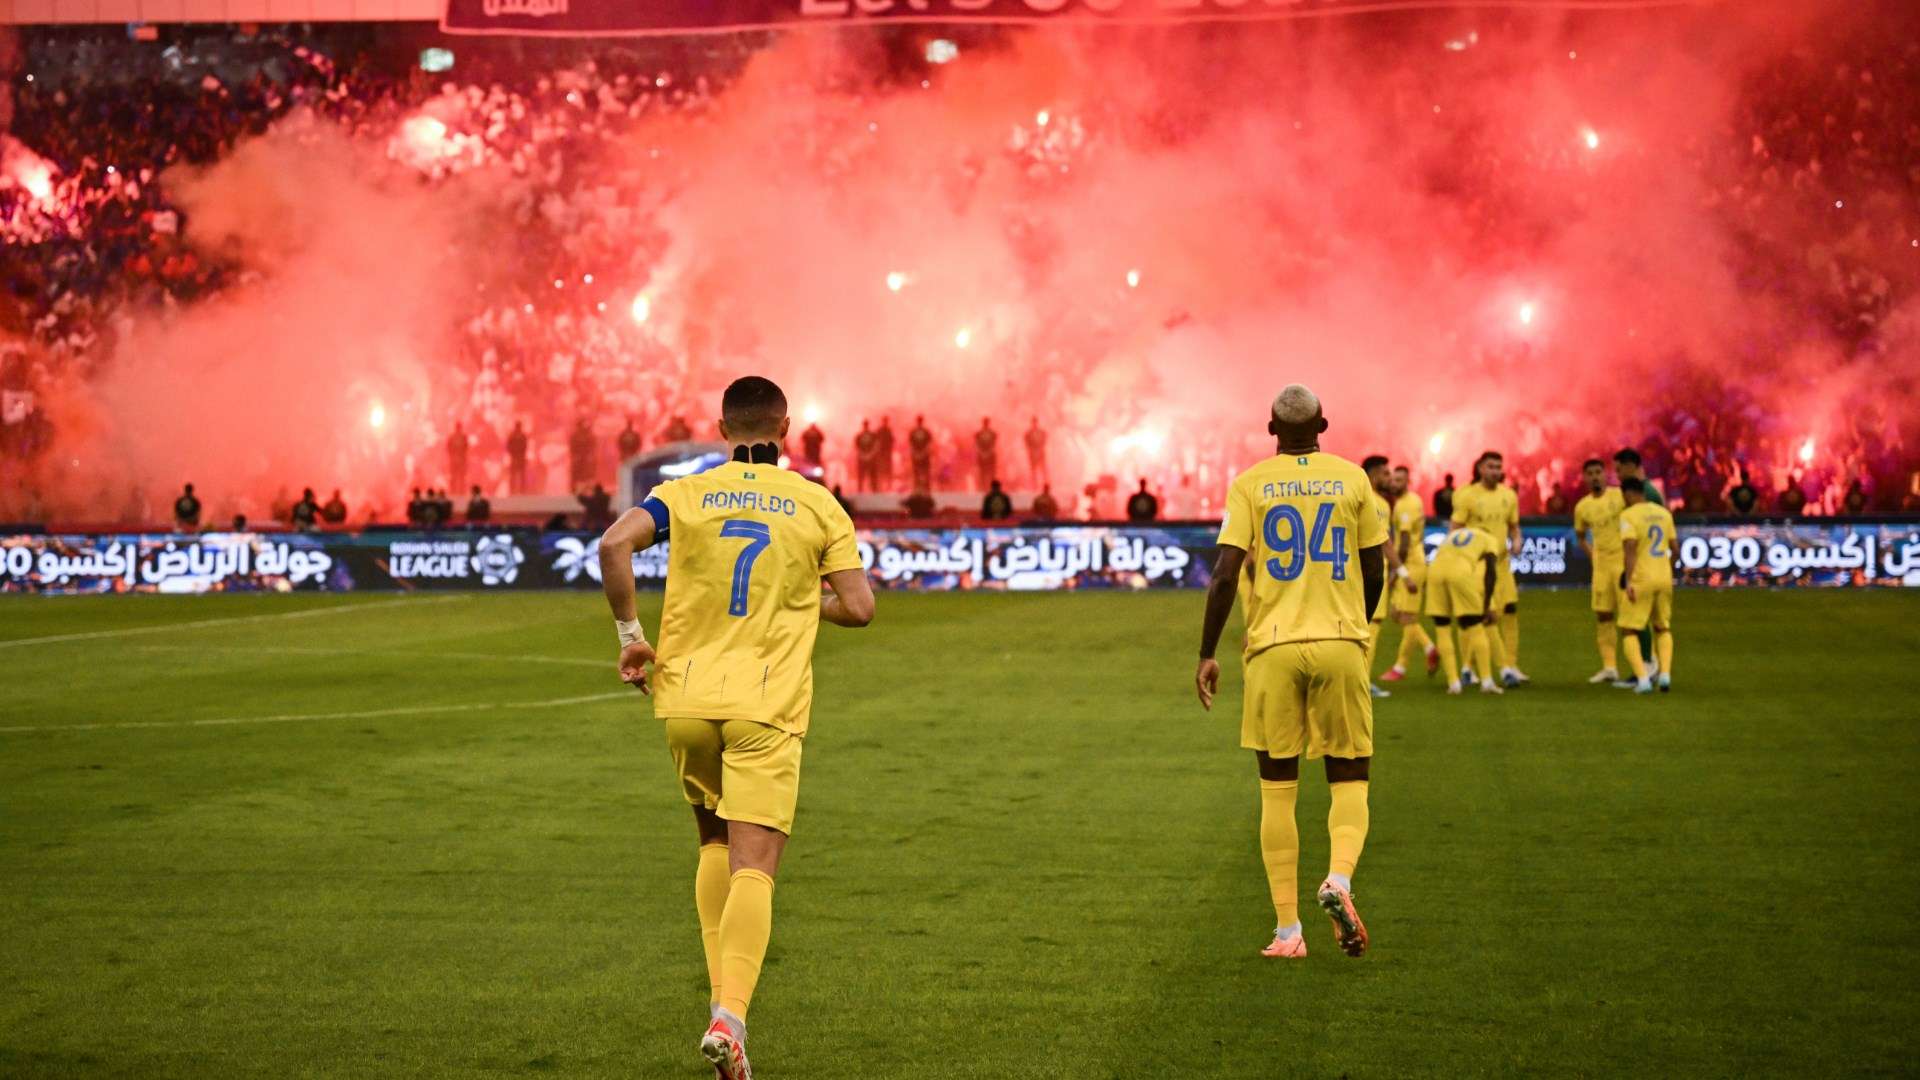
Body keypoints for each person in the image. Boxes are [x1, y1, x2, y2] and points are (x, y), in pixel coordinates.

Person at [596, 375, 874, 1080]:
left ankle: (727, 1011)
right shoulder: (817, 504)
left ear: (722, 429)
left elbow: (612, 545)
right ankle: (731, 1016)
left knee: (712, 841)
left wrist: (632, 635)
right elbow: (862, 606)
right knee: (757, 862)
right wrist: (801, 605)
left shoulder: (683, 495)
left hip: (685, 702)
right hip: (765, 705)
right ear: (787, 428)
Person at [1194, 383, 1385, 961]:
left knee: (1276, 791)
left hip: (1273, 647)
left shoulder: (1251, 483)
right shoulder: (1353, 478)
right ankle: (1340, 881)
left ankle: (1287, 932)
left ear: (1271, 429)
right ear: (1323, 426)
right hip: (1340, 641)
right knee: (1349, 775)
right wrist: (1359, 623)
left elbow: (1227, 573)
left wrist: (1206, 651)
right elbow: (1374, 565)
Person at [1451, 451, 1528, 687]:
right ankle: (1473, 667)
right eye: (1491, 466)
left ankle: (1510, 665)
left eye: (1498, 466)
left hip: (1503, 565)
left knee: (1510, 610)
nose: (1495, 471)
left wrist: (1517, 541)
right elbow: (1455, 529)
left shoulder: (1508, 495)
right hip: (1480, 566)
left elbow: (1514, 527)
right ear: (1480, 468)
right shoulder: (1468, 496)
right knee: (1481, 616)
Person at [1424, 522, 1504, 695]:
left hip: (1434, 570)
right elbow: (1491, 571)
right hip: (1460, 571)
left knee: (1442, 627)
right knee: (1476, 625)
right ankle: (1487, 681)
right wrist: (1486, 604)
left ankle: (1453, 683)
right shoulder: (1489, 538)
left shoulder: (1455, 534)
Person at [1356, 455, 1412, 699]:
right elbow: (1385, 543)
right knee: (1371, 627)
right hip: (1371, 573)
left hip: (1351, 572)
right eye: (1386, 474)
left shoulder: (1352, 494)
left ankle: (1356, 679)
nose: (1390, 479)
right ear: (1374, 473)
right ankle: (1362, 682)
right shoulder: (1377, 502)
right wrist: (1402, 572)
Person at [1377, 464, 1439, 684]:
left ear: (1408, 481)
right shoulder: (1413, 501)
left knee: (1406, 617)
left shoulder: (1404, 506)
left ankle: (1402, 665)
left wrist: (1397, 573)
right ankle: (1428, 648)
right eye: (1393, 479)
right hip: (1416, 561)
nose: (1394, 483)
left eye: (1399, 480)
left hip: (1411, 563)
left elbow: (1402, 544)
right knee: (1397, 614)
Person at [1617, 477, 1677, 694]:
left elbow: (1630, 549)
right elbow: (1675, 549)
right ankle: (1665, 675)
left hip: (1642, 578)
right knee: (1662, 626)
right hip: (1664, 577)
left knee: (1628, 629)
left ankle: (1642, 680)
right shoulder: (1663, 513)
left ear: (1628, 494)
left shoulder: (1628, 515)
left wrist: (1630, 580)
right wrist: (1667, 569)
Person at [1572, 458, 1627, 685]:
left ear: (1606, 475)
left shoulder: (1619, 496)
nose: (1595, 477)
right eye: (1590, 473)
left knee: (1631, 617)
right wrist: (1592, 554)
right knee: (1603, 615)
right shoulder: (1582, 507)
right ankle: (1609, 667)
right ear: (1584, 478)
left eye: (1598, 472)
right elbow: (1581, 535)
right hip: (1602, 567)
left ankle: (1646, 663)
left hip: (1624, 563)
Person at [908, 415, 934, 493]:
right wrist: (916, 453)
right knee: (917, 473)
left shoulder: (925, 431)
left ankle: (925, 490)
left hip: (923, 455)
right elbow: (911, 444)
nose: (919, 422)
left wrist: (922, 453)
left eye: (920, 421)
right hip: (918, 455)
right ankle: (918, 490)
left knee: (924, 473)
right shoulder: (914, 431)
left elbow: (929, 444)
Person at [570, 419, 598, 489]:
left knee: (588, 475)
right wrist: (575, 456)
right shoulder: (575, 435)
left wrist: (591, 455)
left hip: (587, 458)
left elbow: (593, 446)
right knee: (578, 475)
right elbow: (572, 447)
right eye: (584, 424)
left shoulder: (590, 435)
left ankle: (588, 488)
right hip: (578, 458)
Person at [853, 420, 879, 493]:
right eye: (865, 425)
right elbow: (856, 446)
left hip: (871, 458)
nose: (866, 426)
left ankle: (874, 490)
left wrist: (870, 454)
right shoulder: (859, 435)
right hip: (862, 458)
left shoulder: (873, 435)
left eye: (866, 425)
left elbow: (876, 445)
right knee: (861, 475)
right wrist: (862, 455)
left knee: (872, 475)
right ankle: (860, 490)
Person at [973, 418, 998, 491]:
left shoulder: (993, 433)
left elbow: (994, 445)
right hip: (982, 455)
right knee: (982, 473)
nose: (986, 424)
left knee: (991, 472)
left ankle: (992, 488)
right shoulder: (978, 434)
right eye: (985, 423)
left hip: (990, 455)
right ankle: (982, 488)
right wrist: (982, 453)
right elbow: (977, 445)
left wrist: (987, 453)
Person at [507, 421, 530, 495]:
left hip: (519, 457)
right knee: (514, 475)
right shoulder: (515, 435)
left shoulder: (520, 436)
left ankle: (520, 490)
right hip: (516, 457)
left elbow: (525, 446)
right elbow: (509, 446)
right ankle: (514, 490)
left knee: (520, 475)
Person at [1024, 417, 1048, 487]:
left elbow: (1044, 442)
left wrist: (1040, 449)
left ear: (1037, 423)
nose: (1035, 424)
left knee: (1043, 469)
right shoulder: (1028, 434)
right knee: (1033, 471)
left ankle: (1045, 483)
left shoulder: (1043, 432)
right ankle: (1034, 485)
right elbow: (1027, 444)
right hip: (1033, 454)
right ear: (1032, 423)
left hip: (1040, 453)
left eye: (1036, 422)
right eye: (1033, 422)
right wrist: (1031, 450)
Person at [447, 422, 469, 493]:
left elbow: (466, 447)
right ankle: (454, 491)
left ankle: (460, 491)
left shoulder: (463, 437)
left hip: (459, 459)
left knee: (460, 477)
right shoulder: (453, 437)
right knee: (455, 476)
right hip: (456, 459)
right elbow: (449, 447)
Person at [875, 417, 896, 490]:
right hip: (881, 454)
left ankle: (888, 486)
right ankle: (880, 486)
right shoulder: (880, 430)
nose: (885, 423)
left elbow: (892, 441)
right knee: (881, 470)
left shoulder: (888, 430)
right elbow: (876, 441)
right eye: (884, 421)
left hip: (887, 453)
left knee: (888, 470)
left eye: (886, 421)